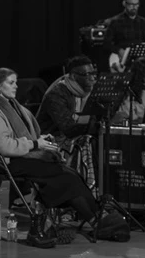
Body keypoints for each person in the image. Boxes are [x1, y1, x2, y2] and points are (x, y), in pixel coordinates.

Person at [0, 67, 101, 248]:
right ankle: (94, 220)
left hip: (23, 156)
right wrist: (36, 144)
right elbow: (5, 146)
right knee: (64, 176)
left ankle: (95, 217)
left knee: (70, 173)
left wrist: (41, 139)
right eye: (11, 83)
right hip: (8, 162)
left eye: (16, 82)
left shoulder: (14, 105)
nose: (16, 86)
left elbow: (26, 136)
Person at [36, 55, 98, 186]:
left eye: (93, 73)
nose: (93, 78)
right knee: (88, 141)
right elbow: (68, 129)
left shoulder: (86, 92)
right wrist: (93, 123)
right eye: (87, 74)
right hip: (51, 140)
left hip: (70, 136)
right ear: (74, 76)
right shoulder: (57, 94)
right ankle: (81, 187)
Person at [104, 0, 145, 72]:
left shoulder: (143, 21)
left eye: (136, 4)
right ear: (124, 4)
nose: (134, 7)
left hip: (138, 61)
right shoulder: (115, 21)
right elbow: (106, 43)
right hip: (121, 61)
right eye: (131, 4)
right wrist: (119, 50)